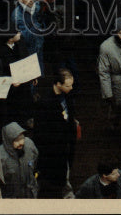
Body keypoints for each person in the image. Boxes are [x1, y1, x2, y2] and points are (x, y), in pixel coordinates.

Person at [34, 67, 78, 198]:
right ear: (58, 84)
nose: (71, 88)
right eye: (68, 85)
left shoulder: (68, 96)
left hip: (66, 148)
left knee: (65, 175)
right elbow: (40, 133)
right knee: (54, 183)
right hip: (53, 153)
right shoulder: (45, 103)